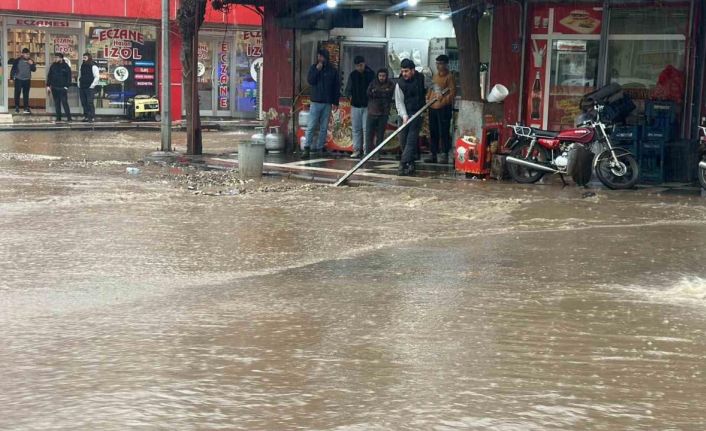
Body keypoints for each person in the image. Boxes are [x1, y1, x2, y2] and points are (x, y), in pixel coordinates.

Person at [304, 48, 340, 158]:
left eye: (322, 57)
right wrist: (316, 70)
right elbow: (310, 80)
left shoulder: (332, 70)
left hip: (327, 102)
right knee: (311, 126)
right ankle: (307, 148)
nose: (320, 59)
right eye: (319, 56)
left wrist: (335, 102)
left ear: (326, 58)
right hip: (315, 101)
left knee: (324, 127)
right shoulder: (313, 68)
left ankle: (320, 148)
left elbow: (336, 87)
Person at [394, 58, 426, 176]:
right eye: (402, 71)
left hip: (417, 113)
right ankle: (410, 162)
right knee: (403, 140)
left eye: (406, 71)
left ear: (413, 70)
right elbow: (399, 102)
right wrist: (404, 115)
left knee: (411, 140)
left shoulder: (421, 78)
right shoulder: (400, 84)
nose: (404, 74)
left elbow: (431, 86)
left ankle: (402, 164)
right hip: (403, 114)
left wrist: (436, 92)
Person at [425, 54, 456, 164]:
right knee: (433, 131)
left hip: (444, 109)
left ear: (446, 64)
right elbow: (430, 89)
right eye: (437, 63)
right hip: (432, 107)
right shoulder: (435, 76)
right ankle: (433, 153)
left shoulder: (450, 77)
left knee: (444, 132)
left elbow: (452, 93)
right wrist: (428, 99)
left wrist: (443, 101)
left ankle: (444, 153)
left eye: (441, 63)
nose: (438, 66)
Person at [344, 55, 374, 158]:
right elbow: (347, 90)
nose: (359, 68)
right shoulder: (353, 75)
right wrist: (349, 97)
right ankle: (356, 149)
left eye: (361, 65)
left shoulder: (371, 74)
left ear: (364, 63)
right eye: (357, 66)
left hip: (367, 106)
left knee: (366, 129)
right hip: (355, 105)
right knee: (356, 129)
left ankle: (366, 151)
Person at [365, 68, 395, 157]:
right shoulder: (373, 83)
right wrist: (381, 92)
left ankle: (378, 153)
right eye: (380, 76)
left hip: (383, 113)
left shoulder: (390, 84)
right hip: (372, 111)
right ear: (377, 76)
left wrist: (376, 92)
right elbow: (368, 93)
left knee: (380, 135)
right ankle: (368, 153)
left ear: (386, 76)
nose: (381, 78)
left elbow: (388, 94)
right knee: (369, 134)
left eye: (383, 76)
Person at [46, 53, 73, 123]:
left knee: (64, 103)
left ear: (61, 58)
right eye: (55, 57)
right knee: (57, 103)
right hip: (54, 87)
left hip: (62, 88)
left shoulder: (66, 66)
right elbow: (49, 76)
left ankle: (69, 118)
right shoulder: (53, 66)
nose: (55, 59)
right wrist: (48, 86)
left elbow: (69, 77)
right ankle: (58, 118)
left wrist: (66, 86)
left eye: (57, 58)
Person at [10, 48, 36, 114]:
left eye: (28, 54)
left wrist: (32, 64)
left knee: (26, 94)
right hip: (18, 79)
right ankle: (17, 107)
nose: (27, 55)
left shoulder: (31, 60)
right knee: (17, 94)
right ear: (22, 54)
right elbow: (13, 69)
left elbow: (34, 69)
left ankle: (26, 108)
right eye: (26, 54)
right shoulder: (17, 60)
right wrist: (11, 78)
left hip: (27, 80)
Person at [78, 52, 100, 122]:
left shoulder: (93, 65)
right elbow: (80, 75)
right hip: (82, 86)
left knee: (89, 102)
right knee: (84, 102)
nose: (84, 59)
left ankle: (92, 117)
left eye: (85, 58)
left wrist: (92, 86)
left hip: (89, 87)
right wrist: (79, 84)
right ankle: (86, 116)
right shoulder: (82, 65)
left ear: (89, 58)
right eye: (83, 57)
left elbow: (97, 77)